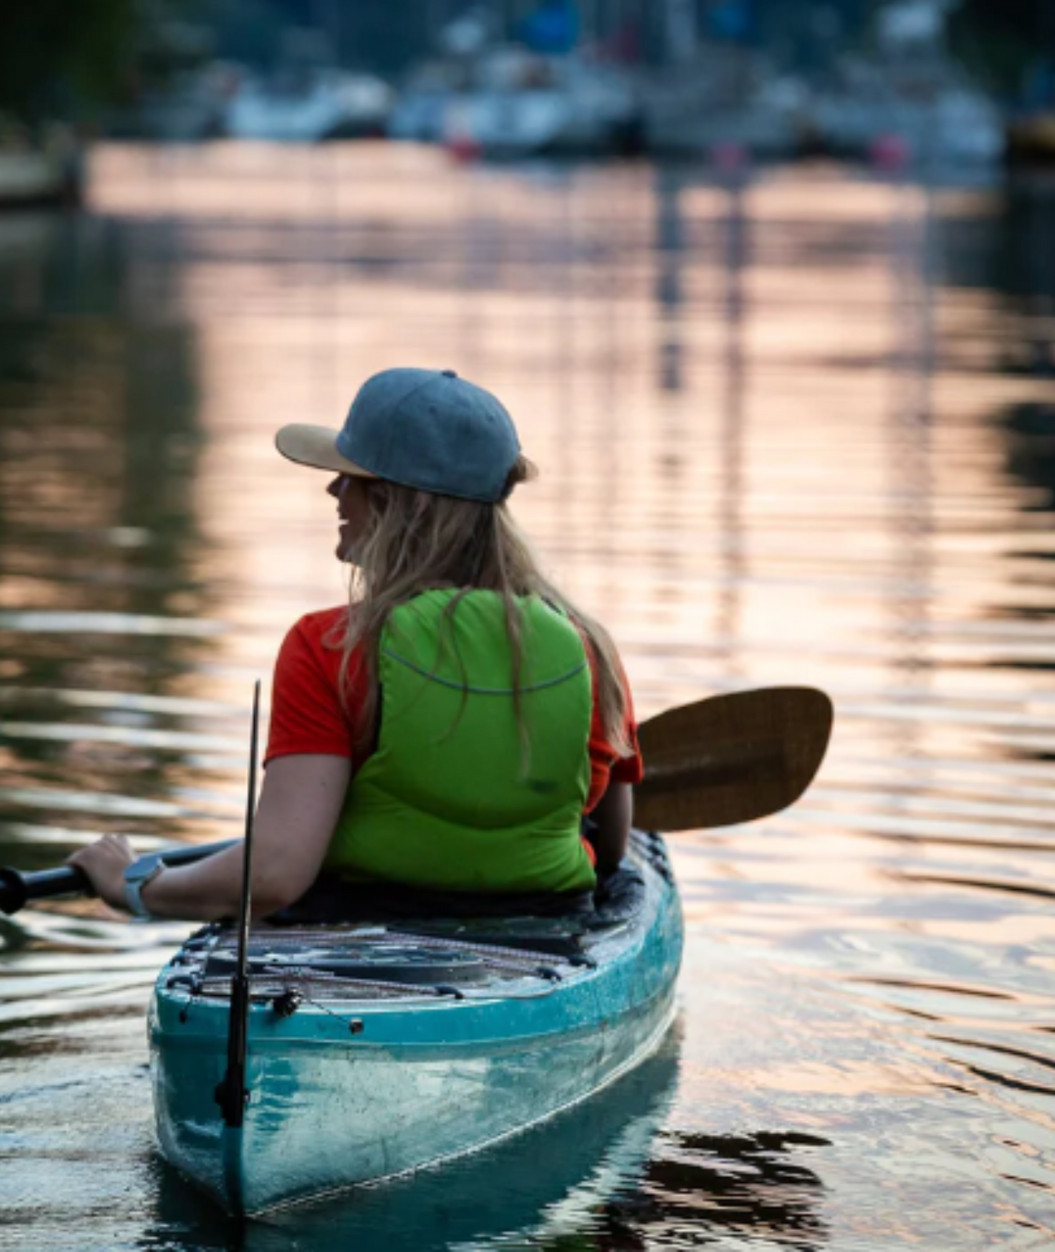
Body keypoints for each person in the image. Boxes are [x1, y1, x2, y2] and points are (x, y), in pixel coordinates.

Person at [70, 367, 641, 923]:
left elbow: (274, 874)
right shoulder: (589, 648)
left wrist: (138, 885)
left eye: (353, 477)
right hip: (546, 938)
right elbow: (613, 850)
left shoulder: (330, 648)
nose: (334, 489)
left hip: (354, 934)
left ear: (404, 503)